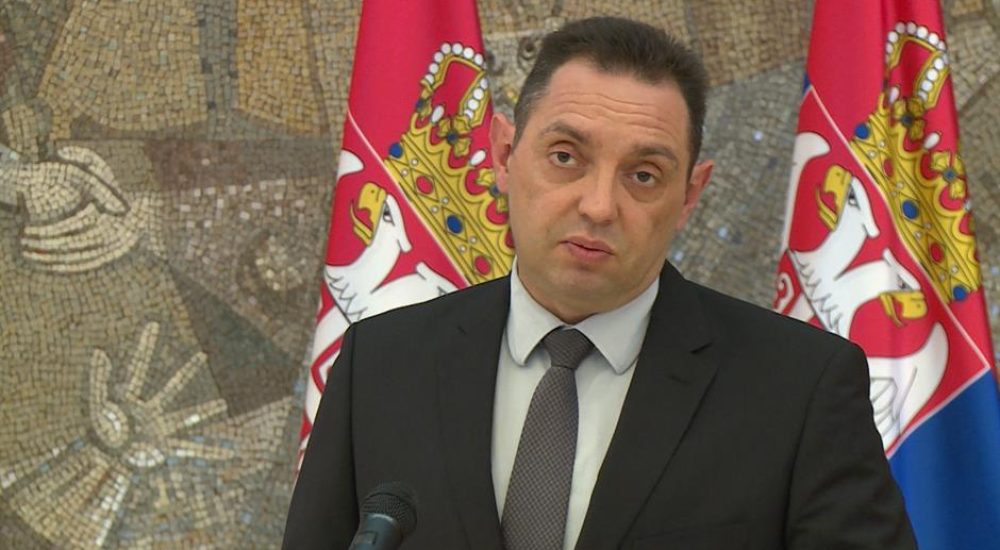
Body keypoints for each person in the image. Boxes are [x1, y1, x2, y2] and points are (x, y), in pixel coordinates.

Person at [283, 16, 916, 550]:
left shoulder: (799, 388)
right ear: (503, 155)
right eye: (566, 157)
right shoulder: (381, 364)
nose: (598, 205)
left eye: (643, 175)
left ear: (690, 194)